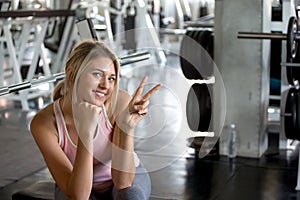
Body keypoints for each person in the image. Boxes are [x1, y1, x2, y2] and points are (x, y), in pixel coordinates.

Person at [30, 39, 162, 200]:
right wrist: (86, 133)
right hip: (77, 183)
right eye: (97, 74)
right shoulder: (44, 124)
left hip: (123, 180)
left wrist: (127, 127)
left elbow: (122, 182)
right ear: (72, 75)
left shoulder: (119, 102)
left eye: (111, 78)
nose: (105, 85)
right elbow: (79, 195)